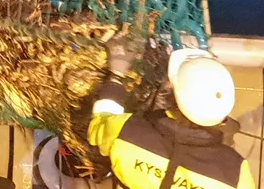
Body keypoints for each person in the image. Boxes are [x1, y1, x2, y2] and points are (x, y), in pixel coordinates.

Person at [88, 38, 255, 189]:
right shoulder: (236, 172)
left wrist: (116, 75)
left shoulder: (125, 132)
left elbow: (99, 124)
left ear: (173, 96)